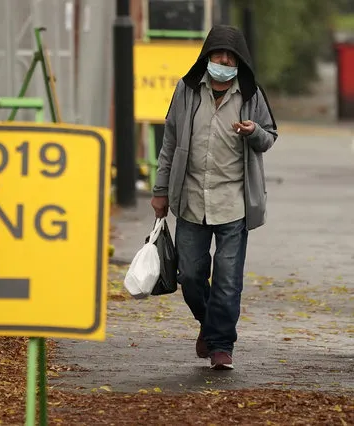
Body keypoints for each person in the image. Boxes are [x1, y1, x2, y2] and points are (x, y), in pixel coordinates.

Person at [150, 25, 277, 370]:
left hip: (233, 201)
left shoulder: (250, 94)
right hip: (191, 199)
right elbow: (170, 143)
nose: (223, 61)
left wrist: (254, 133)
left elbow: (270, 137)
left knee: (227, 280)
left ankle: (221, 345)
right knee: (189, 276)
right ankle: (209, 325)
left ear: (239, 60)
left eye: (229, 56)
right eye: (217, 54)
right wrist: (160, 191)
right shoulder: (187, 89)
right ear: (207, 56)